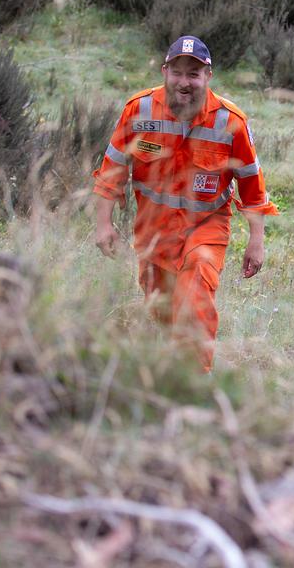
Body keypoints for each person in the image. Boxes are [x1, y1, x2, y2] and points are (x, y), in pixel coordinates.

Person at [92, 35, 278, 371]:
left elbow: (252, 183)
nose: (184, 82)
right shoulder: (140, 110)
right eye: (177, 72)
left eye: (193, 74)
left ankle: (193, 386)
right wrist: (103, 223)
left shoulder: (230, 121)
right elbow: (112, 169)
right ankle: (169, 370)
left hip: (205, 229)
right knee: (162, 310)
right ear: (164, 72)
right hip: (153, 232)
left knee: (194, 302)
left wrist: (256, 240)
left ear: (208, 76)